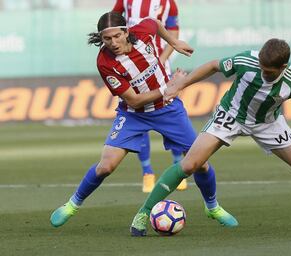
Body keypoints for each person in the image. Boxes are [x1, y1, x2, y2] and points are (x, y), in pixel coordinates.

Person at [130, 38, 291, 235]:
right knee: (190, 163)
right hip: (230, 115)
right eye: (261, 66)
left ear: (283, 67)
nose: (263, 72)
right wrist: (182, 83)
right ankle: (143, 214)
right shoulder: (246, 61)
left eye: (269, 71)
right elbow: (212, 66)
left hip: (268, 124)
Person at [50, 12, 238, 235]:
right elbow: (133, 99)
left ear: (126, 31)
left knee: (200, 163)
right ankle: (72, 205)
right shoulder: (105, 62)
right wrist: (167, 89)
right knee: (106, 166)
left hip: (168, 110)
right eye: (107, 39)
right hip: (133, 114)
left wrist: (174, 42)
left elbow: (156, 23)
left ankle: (212, 207)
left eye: (117, 36)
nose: (113, 43)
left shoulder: (143, 32)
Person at [112, 0, 186, 192]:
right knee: (139, 115)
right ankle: (147, 172)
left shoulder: (169, 4)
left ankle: (178, 167)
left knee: (171, 114)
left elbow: (173, 32)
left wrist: (162, 59)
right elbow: (113, 22)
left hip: (158, 65)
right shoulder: (125, 1)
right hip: (132, 68)